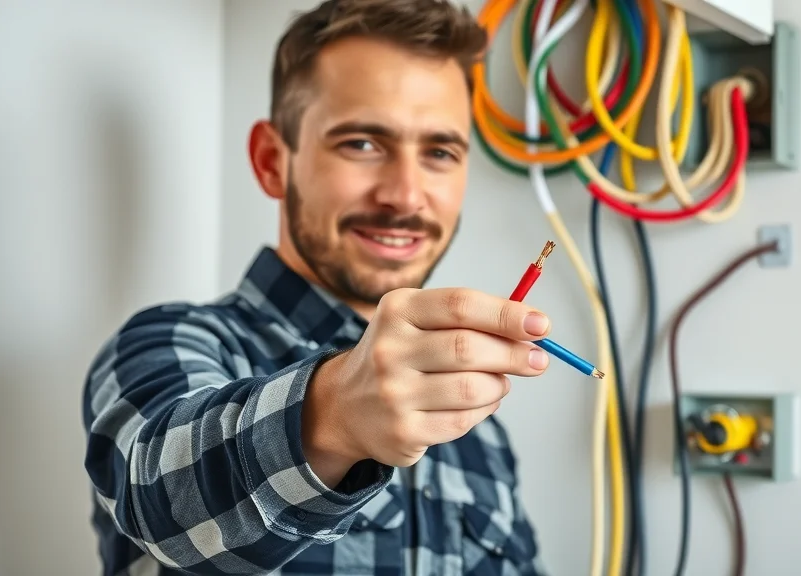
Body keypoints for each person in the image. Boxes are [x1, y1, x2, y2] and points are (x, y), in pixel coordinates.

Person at [81, 1, 552, 574]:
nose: (406, 195)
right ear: (271, 161)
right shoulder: (168, 342)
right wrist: (332, 416)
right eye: (362, 143)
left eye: (439, 152)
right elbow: (161, 501)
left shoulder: (481, 434)